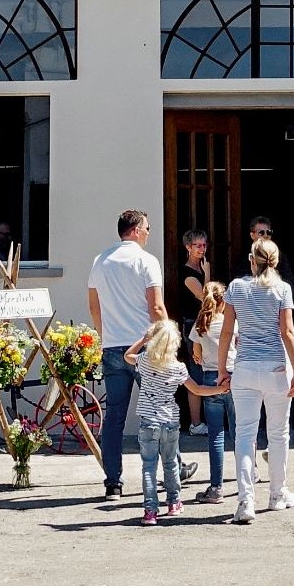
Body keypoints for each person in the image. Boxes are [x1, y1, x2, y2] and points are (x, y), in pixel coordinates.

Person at [218, 238, 294, 523]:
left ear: (252, 261)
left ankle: (245, 501)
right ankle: (277, 494)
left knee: (244, 435)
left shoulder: (236, 288)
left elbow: (227, 332)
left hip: (245, 368)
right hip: (276, 367)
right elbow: (288, 332)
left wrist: (222, 369)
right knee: (278, 434)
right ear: (275, 262)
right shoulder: (282, 289)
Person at [87, 209, 167, 500]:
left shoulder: (100, 260)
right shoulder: (146, 261)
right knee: (158, 411)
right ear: (135, 230)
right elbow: (156, 307)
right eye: (146, 228)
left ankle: (113, 482)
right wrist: (167, 336)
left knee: (115, 416)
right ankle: (170, 471)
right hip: (144, 345)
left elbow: (94, 306)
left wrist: (103, 335)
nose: (148, 232)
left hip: (112, 344)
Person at [125, 321, 197, 525]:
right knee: (171, 463)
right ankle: (174, 502)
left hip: (148, 421)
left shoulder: (145, 360)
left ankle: (150, 511)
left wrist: (143, 340)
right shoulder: (178, 368)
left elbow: (127, 356)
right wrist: (219, 389)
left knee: (148, 467)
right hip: (170, 421)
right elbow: (197, 390)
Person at [187, 282, 233, 504]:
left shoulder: (200, 323)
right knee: (241, 432)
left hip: (210, 378)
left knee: (216, 434)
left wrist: (203, 356)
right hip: (233, 377)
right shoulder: (230, 321)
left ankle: (216, 487)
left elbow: (196, 355)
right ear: (223, 301)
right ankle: (248, 481)